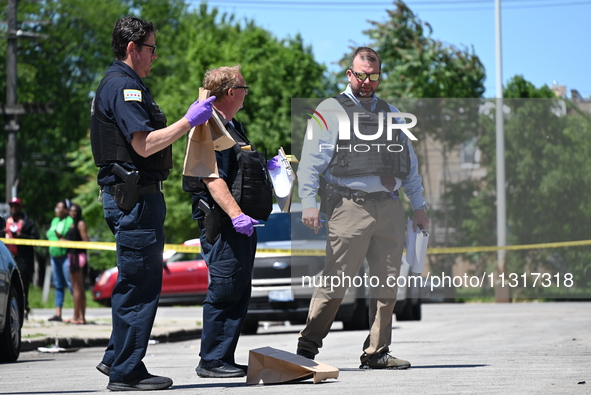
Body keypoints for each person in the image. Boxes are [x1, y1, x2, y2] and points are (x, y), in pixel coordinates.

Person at [89, 16, 215, 391]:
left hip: (134, 199)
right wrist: (188, 121)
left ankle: (117, 357)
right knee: (139, 285)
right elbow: (144, 144)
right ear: (133, 49)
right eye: (151, 48)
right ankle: (125, 372)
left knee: (136, 280)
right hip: (135, 201)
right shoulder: (123, 87)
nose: (155, 56)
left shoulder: (121, 85)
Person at [296, 47, 429, 369]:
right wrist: (309, 204)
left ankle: (377, 352)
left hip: (390, 209)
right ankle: (306, 350)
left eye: (374, 76)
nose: (367, 82)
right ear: (349, 74)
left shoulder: (392, 113)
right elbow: (311, 163)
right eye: (361, 75)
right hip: (349, 208)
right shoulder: (330, 110)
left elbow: (409, 166)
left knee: (387, 284)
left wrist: (420, 206)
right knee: (336, 281)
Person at [186, 65, 272, 378]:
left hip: (240, 223)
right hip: (222, 223)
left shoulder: (231, 125)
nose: (247, 92)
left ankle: (223, 356)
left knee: (238, 289)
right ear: (232, 93)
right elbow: (211, 177)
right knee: (224, 288)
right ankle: (211, 360)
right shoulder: (209, 126)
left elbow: (238, 169)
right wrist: (236, 215)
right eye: (244, 88)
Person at [3, 197, 40, 318]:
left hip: (23, 258)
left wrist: (21, 235)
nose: (14, 209)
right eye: (12, 206)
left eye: (16, 206)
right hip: (6, 258)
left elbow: (35, 238)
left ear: (20, 207)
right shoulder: (5, 221)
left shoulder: (27, 222)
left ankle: (24, 308)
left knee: (23, 284)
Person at [46, 199, 74, 322]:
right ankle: (58, 314)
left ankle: (77, 313)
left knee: (71, 284)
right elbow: (51, 235)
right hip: (54, 256)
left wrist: (61, 238)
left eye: (59, 208)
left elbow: (70, 237)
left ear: (66, 210)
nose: (56, 210)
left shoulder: (70, 221)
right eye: (56, 207)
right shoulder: (54, 220)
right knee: (58, 285)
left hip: (66, 256)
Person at [63, 203, 88, 325]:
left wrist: (64, 241)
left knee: (77, 287)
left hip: (77, 257)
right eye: (71, 210)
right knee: (79, 288)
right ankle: (81, 317)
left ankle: (76, 317)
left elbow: (85, 241)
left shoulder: (80, 224)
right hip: (72, 256)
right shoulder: (72, 224)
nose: (72, 213)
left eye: (75, 211)